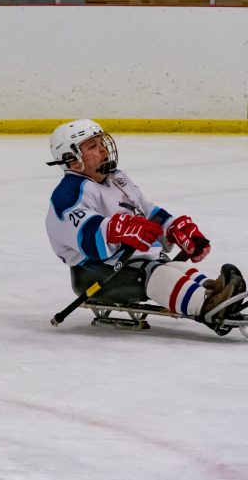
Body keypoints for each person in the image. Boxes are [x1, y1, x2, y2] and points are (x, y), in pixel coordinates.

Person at [45, 119, 246, 325]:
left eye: (101, 142)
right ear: (73, 160)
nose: (103, 149)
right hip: (97, 273)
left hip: (132, 263)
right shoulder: (68, 194)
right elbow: (86, 235)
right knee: (156, 273)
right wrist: (118, 229)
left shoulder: (116, 178)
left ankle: (213, 291)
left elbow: (146, 212)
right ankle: (207, 305)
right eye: (93, 146)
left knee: (174, 267)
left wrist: (173, 228)